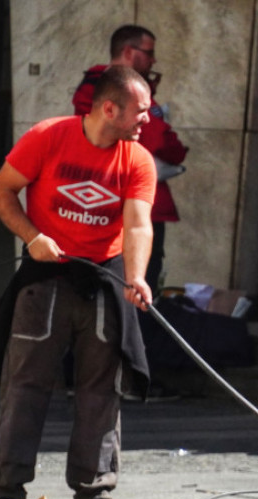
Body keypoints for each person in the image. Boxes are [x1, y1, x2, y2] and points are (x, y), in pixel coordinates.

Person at [0, 65, 155, 499]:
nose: (147, 120)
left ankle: (94, 495)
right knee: (25, 385)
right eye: (141, 110)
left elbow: (138, 223)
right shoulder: (47, 137)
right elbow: (2, 192)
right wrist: (31, 236)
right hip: (46, 275)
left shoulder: (137, 159)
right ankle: (7, 491)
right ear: (110, 108)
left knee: (102, 391)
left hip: (104, 279)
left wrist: (136, 276)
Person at [73, 25, 187, 299]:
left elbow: (171, 146)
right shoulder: (96, 89)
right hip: (108, 199)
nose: (153, 60)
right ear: (127, 51)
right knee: (111, 292)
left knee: (141, 289)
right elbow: (162, 141)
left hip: (139, 200)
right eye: (148, 53)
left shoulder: (131, 93)